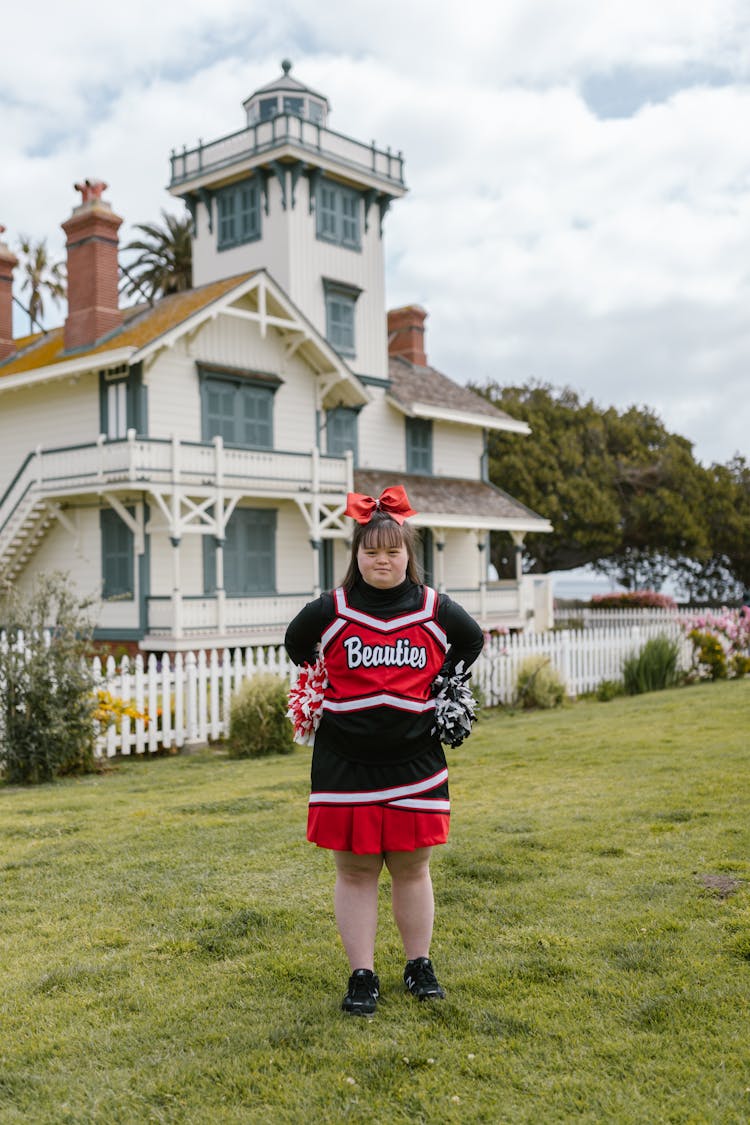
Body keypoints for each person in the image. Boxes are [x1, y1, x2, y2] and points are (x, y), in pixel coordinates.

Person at [284, 486, 484, 1016]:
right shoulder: (331, 608)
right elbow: (296, 643)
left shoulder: (434, 608)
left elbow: (472, 641)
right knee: (354, 870)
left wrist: (443, 686)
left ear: (408, 554)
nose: (382, 559)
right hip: (344, 763)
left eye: (393, 550)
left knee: (413, 866)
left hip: (415, 761)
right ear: (355, 554)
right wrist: (324, 684)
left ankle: (419, 965)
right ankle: (362, 974)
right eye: (371, 550)